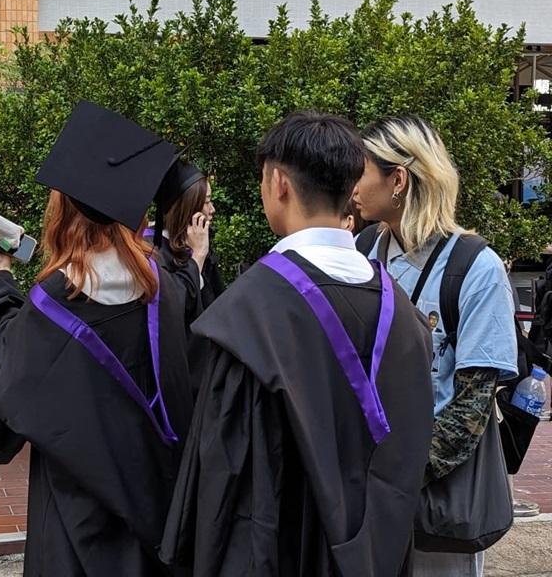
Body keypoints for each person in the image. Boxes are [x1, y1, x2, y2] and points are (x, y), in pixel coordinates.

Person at [161, 111, 435, 577]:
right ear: (351, 187)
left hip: (277, 553)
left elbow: (224, 482)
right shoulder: (405, 315)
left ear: (279, 183)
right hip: (380, 552)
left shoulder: (251, 314)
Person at [0, 101, 197, 576]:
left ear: (62, 209)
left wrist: (1, 279)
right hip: (154, 497)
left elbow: (1, 400)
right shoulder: (162, 286)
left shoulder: (53, 300)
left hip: (75, 510)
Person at [355, 115, 518, 577]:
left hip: (437, 502)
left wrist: (397, 477)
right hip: (370, 494)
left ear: (398, 179)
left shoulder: (475, 267)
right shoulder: (364, 251)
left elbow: (472, 406)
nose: (352, 185)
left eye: (362, 170)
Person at [153, 159, 225, 317]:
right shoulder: (154, 254)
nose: (212, 209)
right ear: (187, 208)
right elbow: (175, 310)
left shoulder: (197, 239)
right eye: (206, 202)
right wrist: (198, 256)